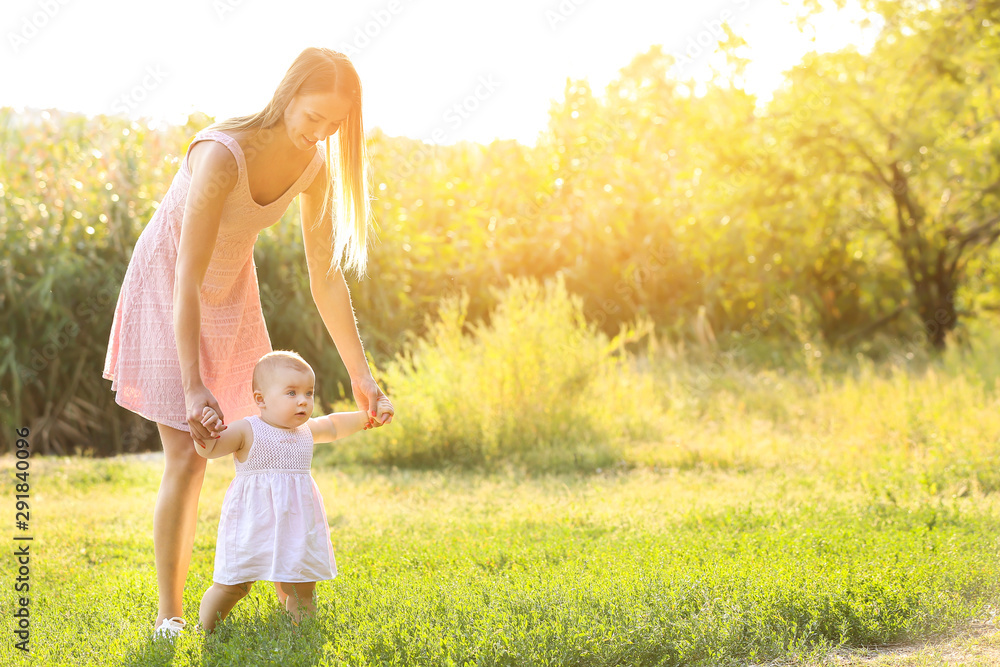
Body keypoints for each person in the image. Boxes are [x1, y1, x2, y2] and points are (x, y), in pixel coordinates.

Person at [101, 47, 394, 638]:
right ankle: (171, 614)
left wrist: (361, 375)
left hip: (232, 294)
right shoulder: (222, 154)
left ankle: (287, 584)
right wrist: (192, 384)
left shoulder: (313, 167)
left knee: (255, 445)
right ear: (288, 94)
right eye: (313, 117)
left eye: (334, 126)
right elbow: (185, 272)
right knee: (187, 453)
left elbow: (325, 277)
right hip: (170, 289)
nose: (321, 133)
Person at [195, 350, 388, 633]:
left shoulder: (305, 430)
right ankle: (205, 629)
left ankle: (303, 633)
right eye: (291, 393)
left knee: (301, 584)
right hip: (252, 522)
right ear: (261, 399)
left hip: (295, 523)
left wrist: (368, 417)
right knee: (234, 584)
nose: (303, 400)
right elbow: (209, 449)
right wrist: (206, 429)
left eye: (308, 393)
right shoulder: (248, 430)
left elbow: (333, 425)